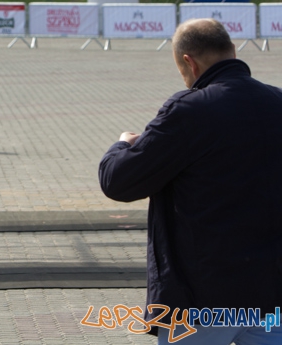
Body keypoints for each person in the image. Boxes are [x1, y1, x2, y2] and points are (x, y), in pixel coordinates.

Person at [99, 18, 282, 345]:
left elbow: (118, 182)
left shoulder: (189, 110)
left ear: (189, 62)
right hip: (272, 295)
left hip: (201, 296)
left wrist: (123, 145)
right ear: (232, 51)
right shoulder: (277, 101)